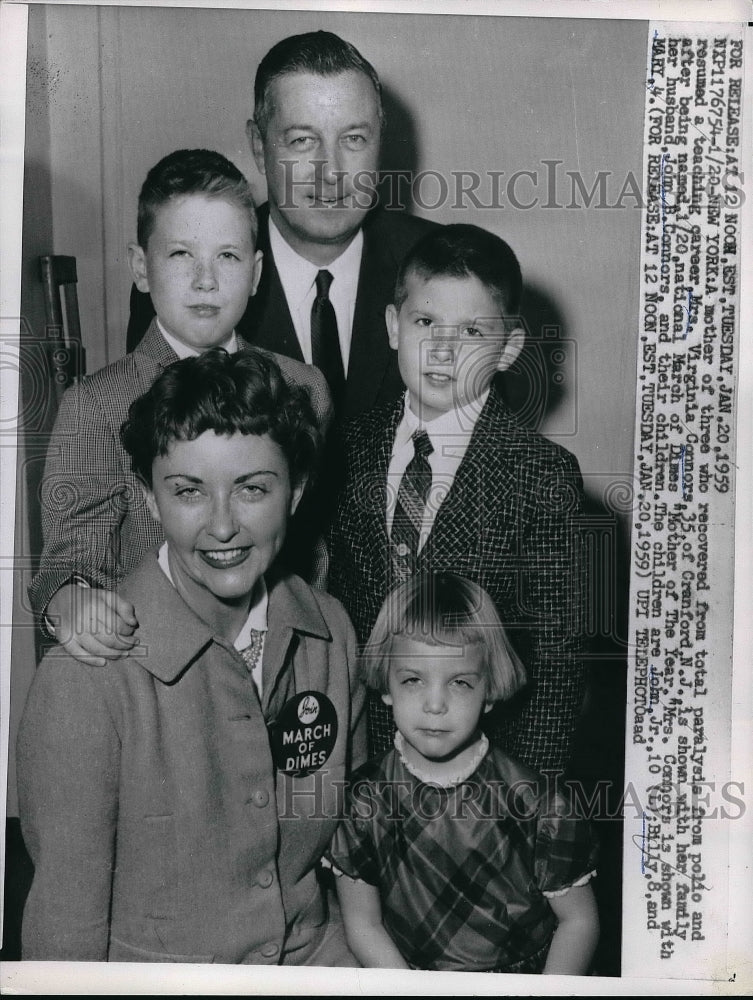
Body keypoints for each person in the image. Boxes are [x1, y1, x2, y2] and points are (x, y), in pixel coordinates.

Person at [17, 349, 365, 964]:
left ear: (299, 491)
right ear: (150, 499)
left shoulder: (330, 632)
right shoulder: (86, 676)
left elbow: (348, 841)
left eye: (253, 489)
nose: (223, 525)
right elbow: (64, 931)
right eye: (189, 492)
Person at [28, 148, 331, 665]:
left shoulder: (304, 388)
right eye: (181, 254)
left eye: (228, 256)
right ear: (141, 268)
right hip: (159, 666)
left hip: (280, 657)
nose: (205, 279)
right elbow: (69, 560)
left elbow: (314, 546)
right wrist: (69, 597)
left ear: (257, 274)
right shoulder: (96, 406)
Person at [327, 224, 587, 773]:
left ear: (509, 347)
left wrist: (525, 806)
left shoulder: (543, 476)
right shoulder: (344, 449)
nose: (444, 349)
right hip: (358, 766)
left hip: (485, 778)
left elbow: (559, 666)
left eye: (471, 331)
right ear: (394, 327)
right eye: (426, 322)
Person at [126, 30, 438, 419]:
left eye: (354, 138)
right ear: (259, 147)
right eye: (303, 141)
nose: (332, 173)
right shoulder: (184, 277)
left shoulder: (444, 266)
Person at [325, 572, 599, 974]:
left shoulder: (536, 804)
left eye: (460, 683)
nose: (435, 704)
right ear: (386, 684)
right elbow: (364, 925)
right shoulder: (363, 800)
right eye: (414, 679)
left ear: (489, 689)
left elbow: (579, 922)